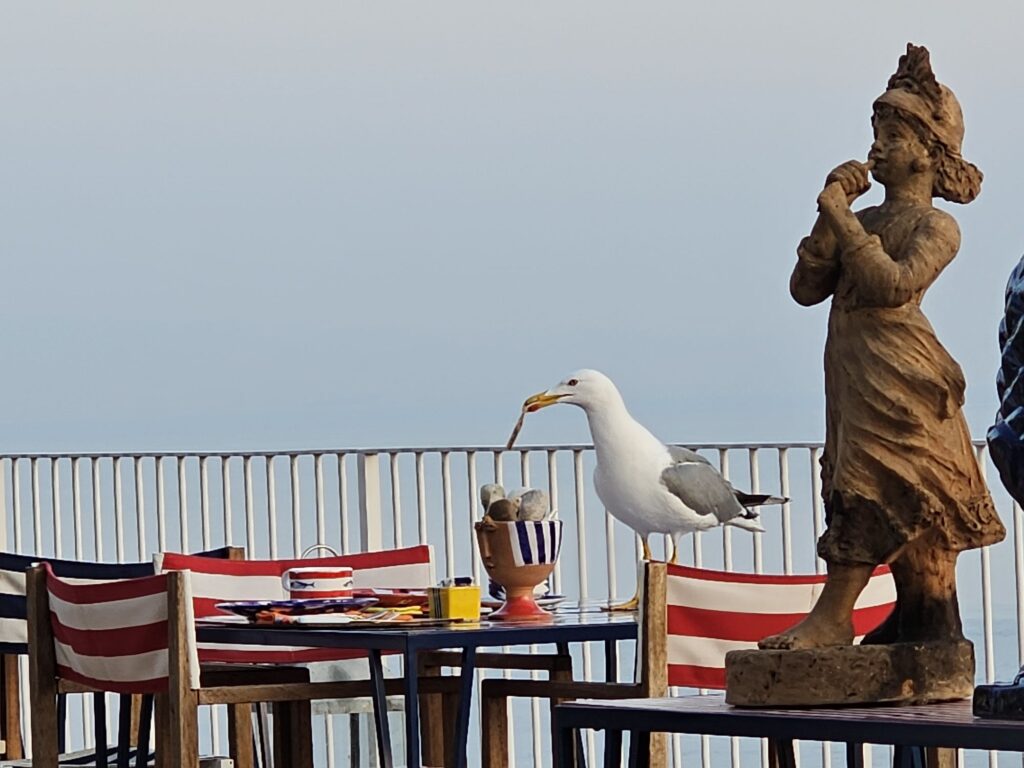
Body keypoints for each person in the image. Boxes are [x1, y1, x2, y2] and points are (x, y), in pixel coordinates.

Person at [761, 44, 1005, 650]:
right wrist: (832, 216)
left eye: (893, 135)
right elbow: (805, 288)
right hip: (855, 369)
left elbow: (892, 286)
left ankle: (835, 616)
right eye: (876, 132)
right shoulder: (864, 220)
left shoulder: (937, 226)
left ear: (928, 153)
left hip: (900, 373)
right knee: (892, 489)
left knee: (877, 483)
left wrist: (842, 220)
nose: (877, 146)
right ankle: (928, 617)